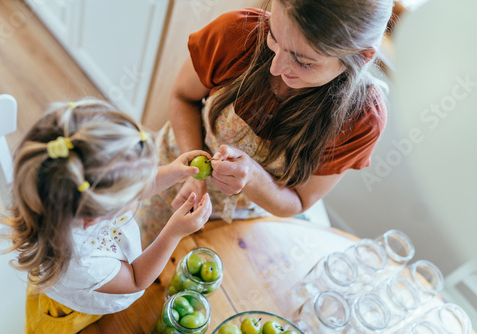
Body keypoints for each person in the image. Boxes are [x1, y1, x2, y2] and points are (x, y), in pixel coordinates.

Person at [136, 0, 392, 246]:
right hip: (170, 173)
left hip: (237, 219)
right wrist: (191, 173)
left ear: (362, 56)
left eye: (303, 61)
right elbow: (183, 97)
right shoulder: (236, 34)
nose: (276, 66)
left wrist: (253, 177)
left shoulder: (361, 119)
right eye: (273, 36)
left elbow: (298, 202)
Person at [4, 99, 212, 333]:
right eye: (134, 190)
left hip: (101, 281)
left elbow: (130, 187)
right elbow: (135, 279)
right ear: (95, 218)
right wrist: (174, 232)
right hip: (72, 313)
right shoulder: (84, 263)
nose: (143, 187)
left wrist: (173, 172)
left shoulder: (67, 197)